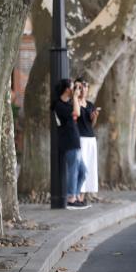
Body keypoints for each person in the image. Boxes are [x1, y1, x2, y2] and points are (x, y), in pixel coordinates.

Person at [51, 78, 88, 209]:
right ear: (67, 89)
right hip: (68, 141)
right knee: (73, 170)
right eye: (73, 87)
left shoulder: (68, 103)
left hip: (75, 139)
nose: (75, 89)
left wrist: (77, 97)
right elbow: (77, 112)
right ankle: (71, 198)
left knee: (83, 171)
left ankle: (76, 195)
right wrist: (76, 97)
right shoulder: (59, 105)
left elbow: (79, 110)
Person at [75, 77, 100, 204]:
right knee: (81, 167)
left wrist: (94, 117)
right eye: (81, 86)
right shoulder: (75, 103)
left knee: (89, 166)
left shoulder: (90, 104)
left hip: (90, 138)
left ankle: (83, 196)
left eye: (86, 86)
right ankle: (77, 195)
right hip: (80, 138)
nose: (84, 89)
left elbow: (91, 124)